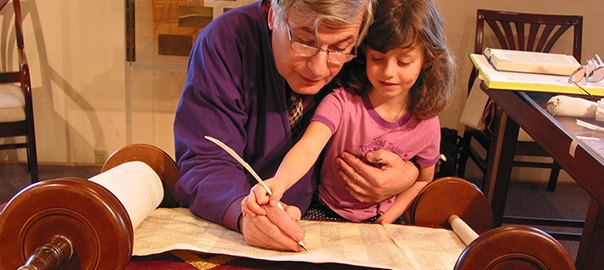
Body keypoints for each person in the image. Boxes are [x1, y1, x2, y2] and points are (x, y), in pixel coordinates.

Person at [174, 0, 420, 252]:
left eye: (339, 48)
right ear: (271, 13)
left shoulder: (368, 51)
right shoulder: (226, 40)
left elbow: (412, 125)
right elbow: (206, 158)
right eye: (304, 42)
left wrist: (410, 174)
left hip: (336, 227)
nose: (318, 68)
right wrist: (242, 212)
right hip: (236, 226)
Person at [242, 0, 455, 225]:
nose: (389, 72)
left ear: (426, 60)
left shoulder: (426, 122)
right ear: (363, 54)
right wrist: (280, 182)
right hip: (323, 211)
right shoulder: (341, 103)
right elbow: (309, 146)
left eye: (403, 62)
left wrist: (388, 219)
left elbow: (424, 178)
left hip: (384, 219)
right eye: (378, 59)